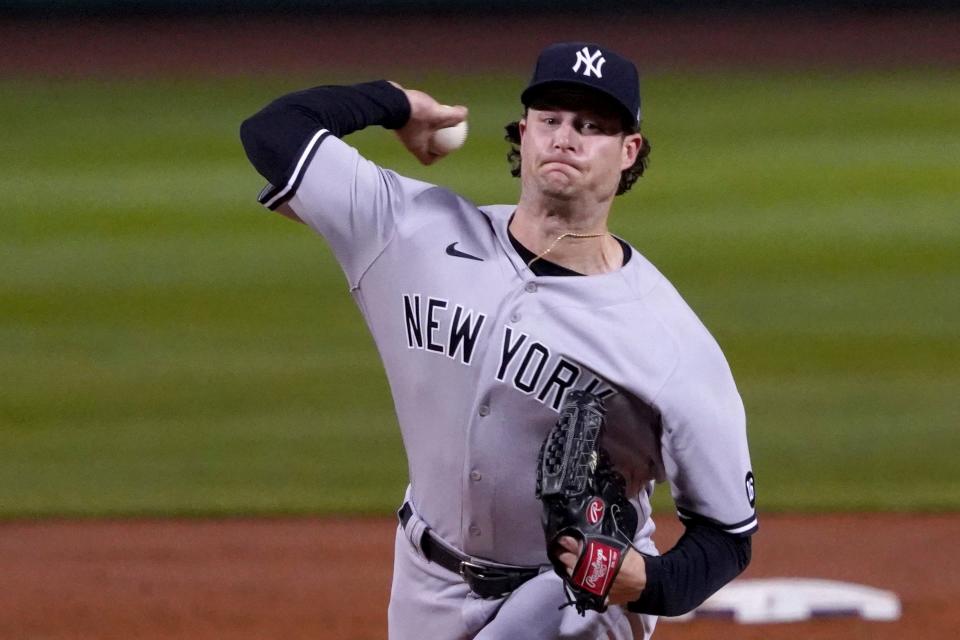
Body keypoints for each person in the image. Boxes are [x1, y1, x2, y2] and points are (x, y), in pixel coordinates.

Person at [241, 41, 757, 640]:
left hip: (572, 600)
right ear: (524, 132)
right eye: (551, 119)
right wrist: (397, 105)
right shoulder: (409, 232)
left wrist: (649, 582)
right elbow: (273, 132)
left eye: (592, 126)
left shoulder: (668, 342)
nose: (566, 137)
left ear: (628, 151)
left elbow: (727, 535)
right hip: (424, 581)